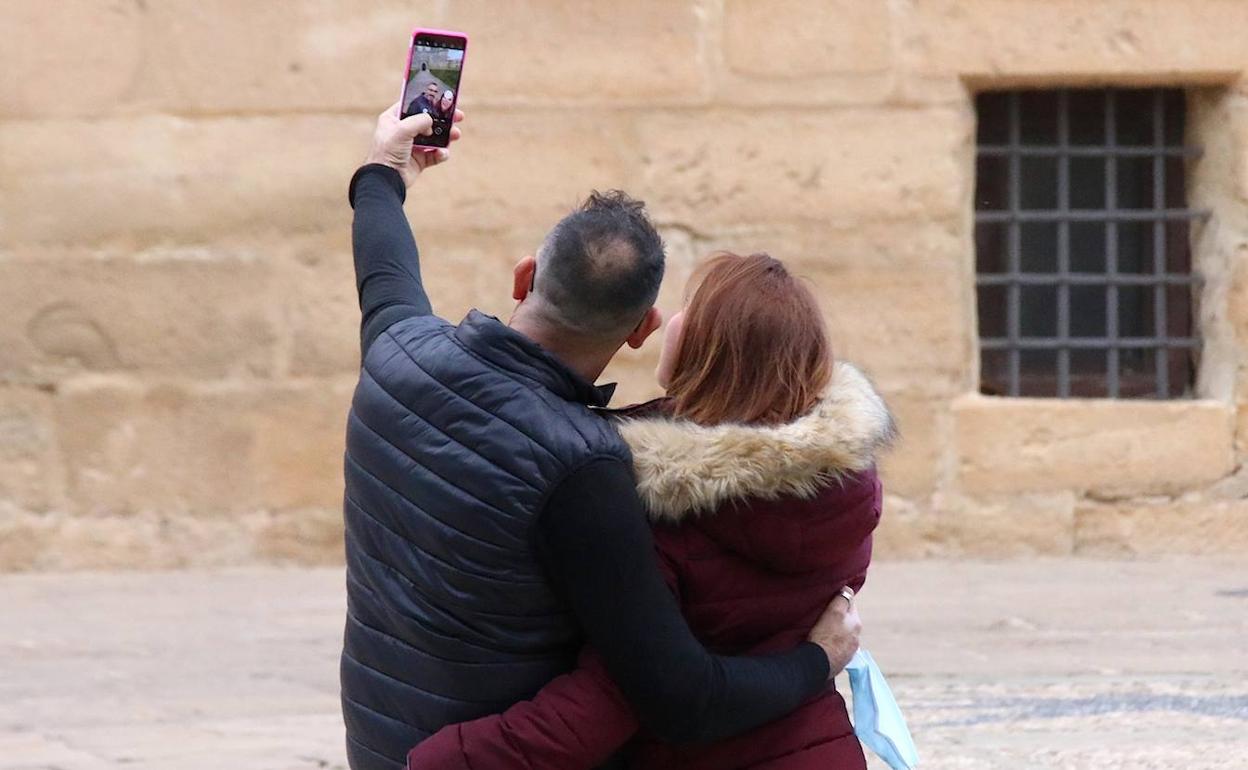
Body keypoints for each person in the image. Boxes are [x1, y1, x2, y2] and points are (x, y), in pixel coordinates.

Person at [340, 105, 863, 770]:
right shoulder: (585, 466)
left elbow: (384, 263)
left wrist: (385, 168)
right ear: (643, 329)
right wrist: (818, 659)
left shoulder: (398, 350)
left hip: (381, 744)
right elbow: (678, 694)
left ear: (525, 276)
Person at [405, 253, 897, 769]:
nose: (671, 319)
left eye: (689, 308)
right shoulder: (846, 491)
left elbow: (602, 709)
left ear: (709, 351)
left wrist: (441, 760)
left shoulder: (657, 512)